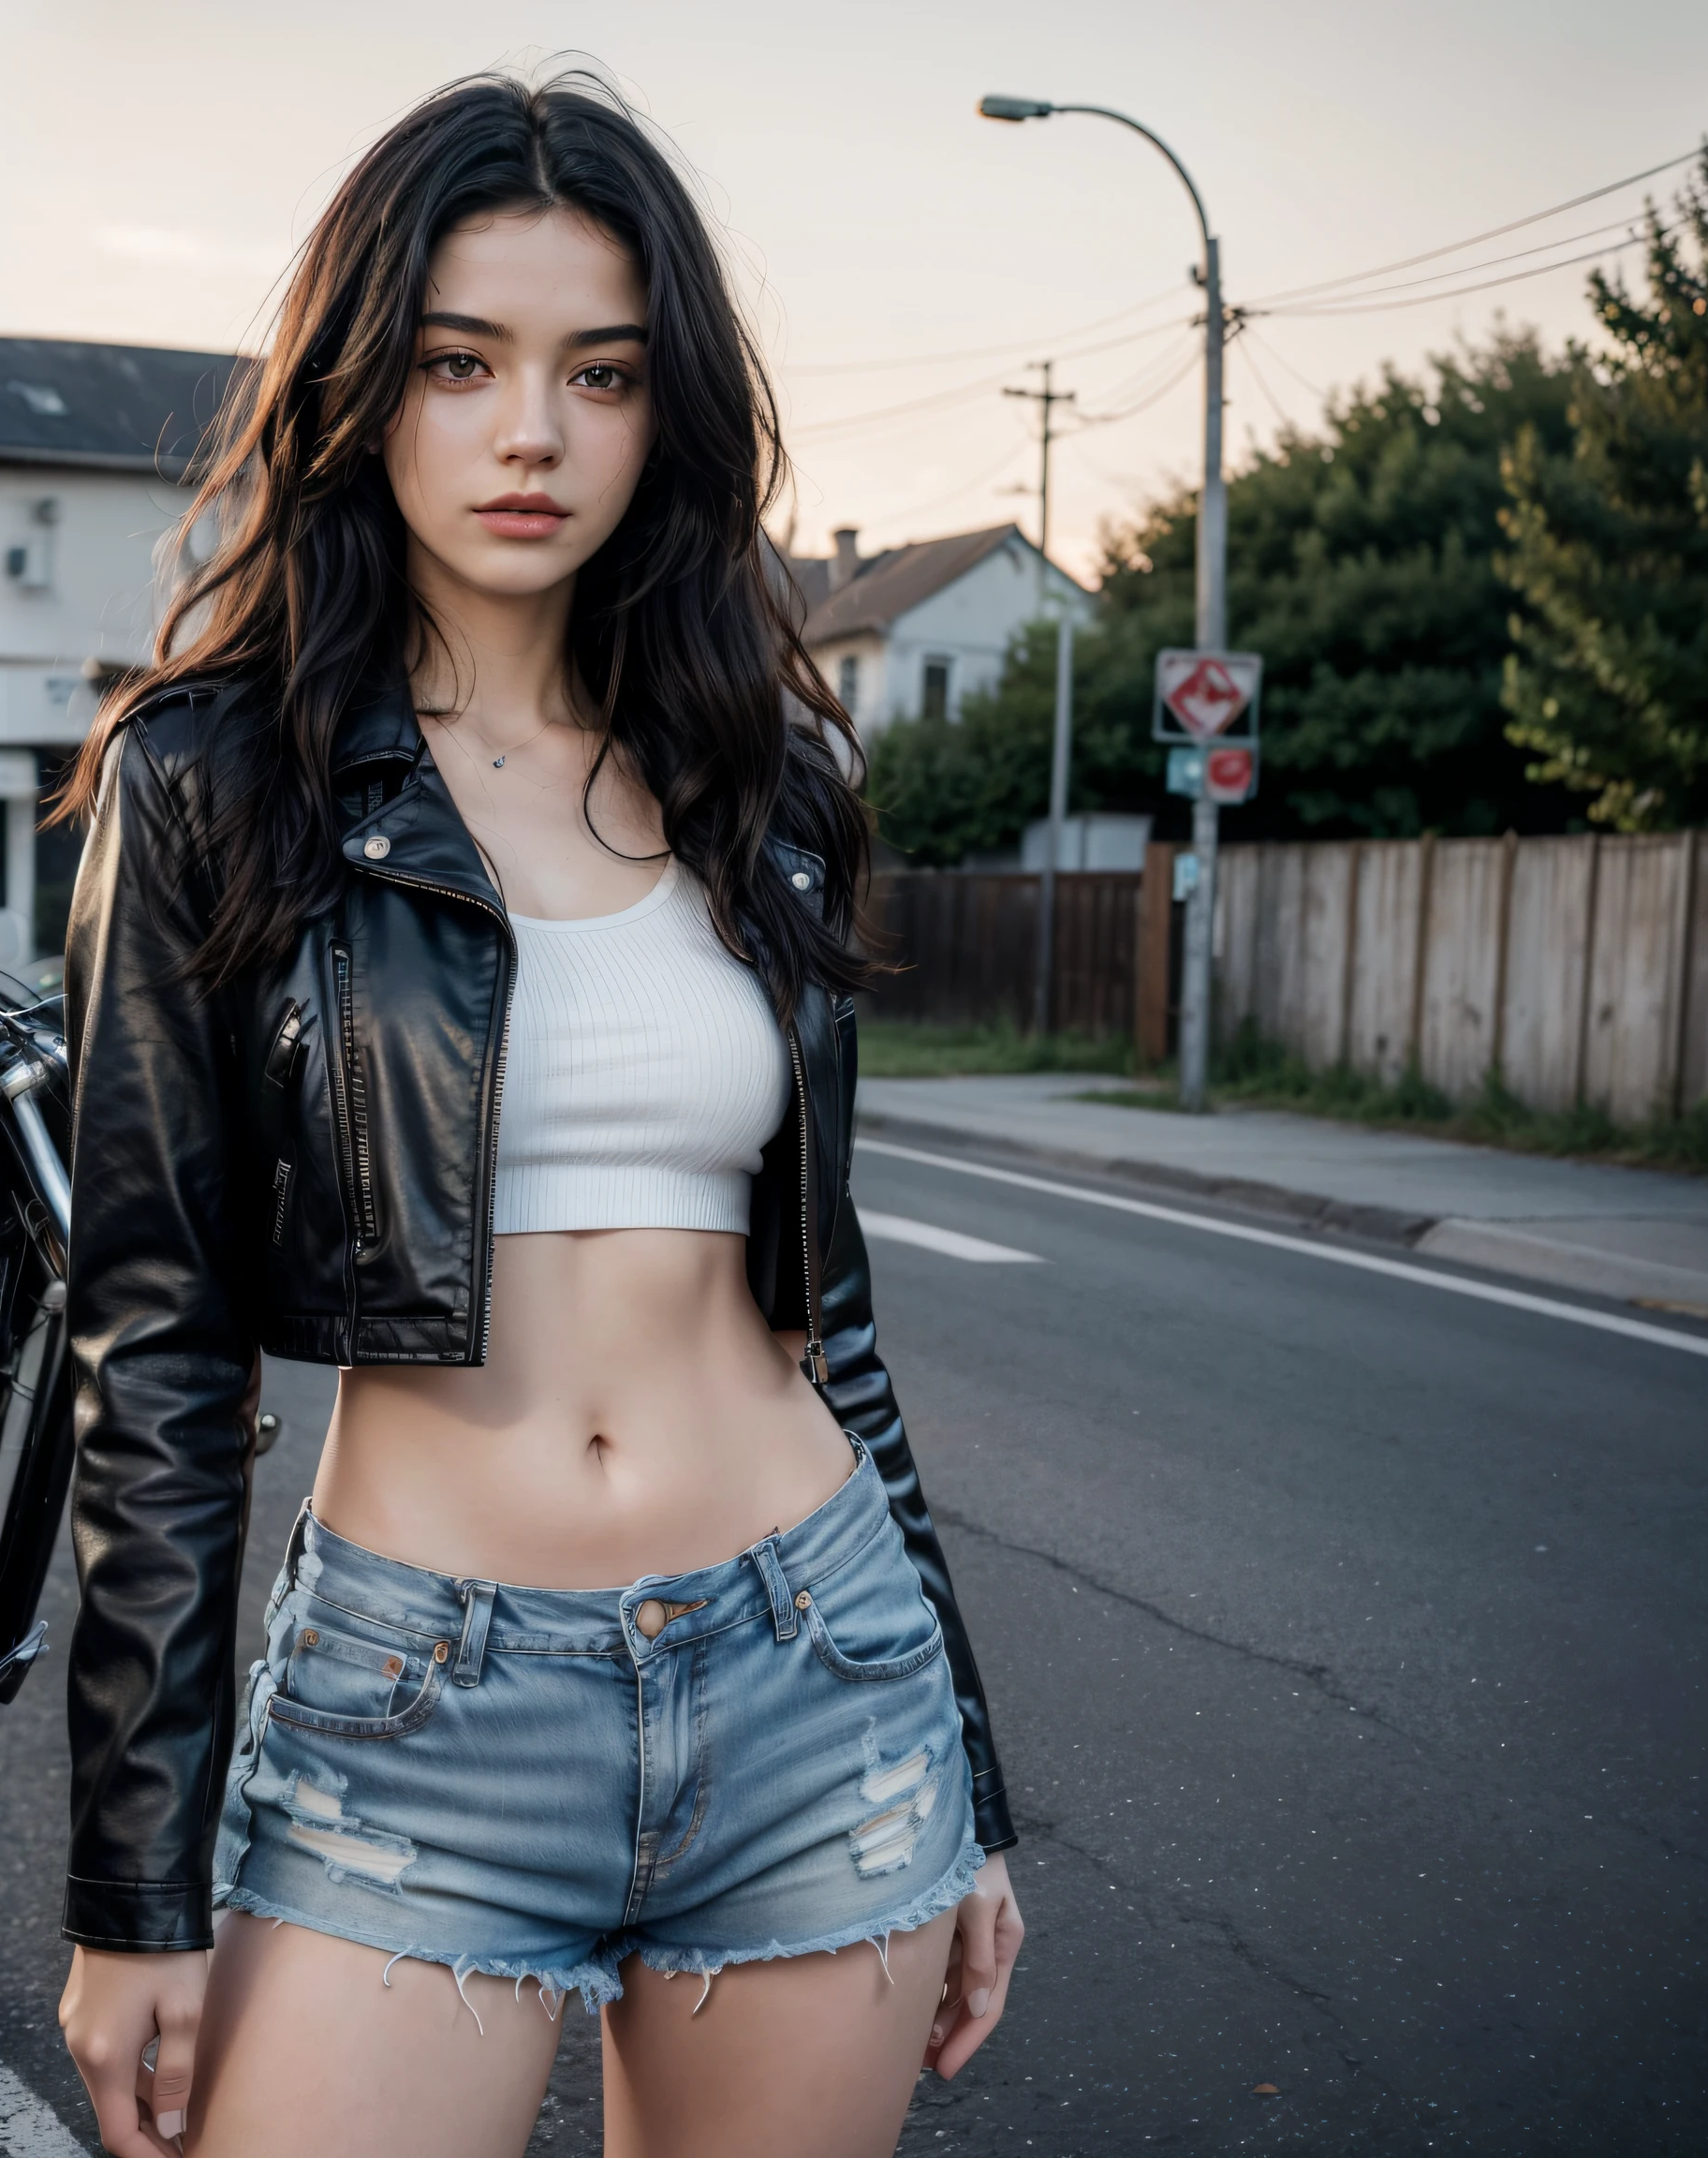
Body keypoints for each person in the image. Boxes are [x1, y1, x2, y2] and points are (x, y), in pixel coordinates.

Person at [50, 73, 1023, 2158]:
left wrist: (965, 1772)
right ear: (359, 390)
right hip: (422, 1705)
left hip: (811, 1675)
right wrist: (131, 1891)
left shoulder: (768, 785)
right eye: (455, 362)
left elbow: (827, 1323)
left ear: (660, 411)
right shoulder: (209, 782)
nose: (528, 435)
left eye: (597, 374)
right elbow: (153, 1357)